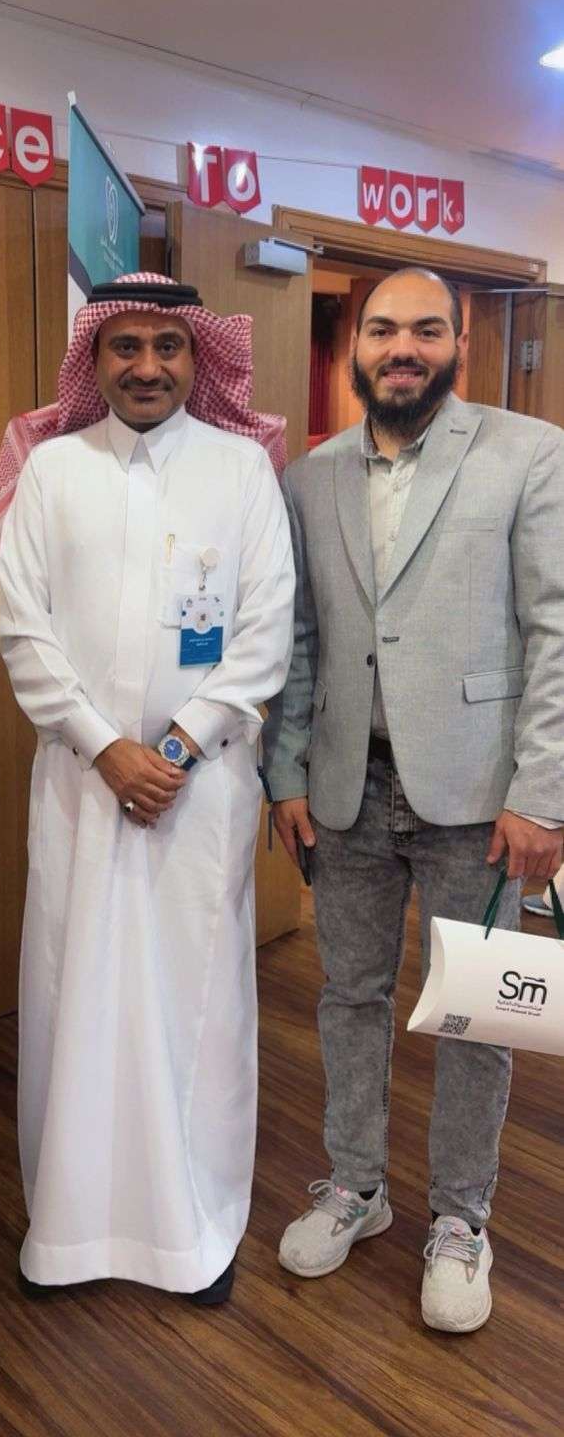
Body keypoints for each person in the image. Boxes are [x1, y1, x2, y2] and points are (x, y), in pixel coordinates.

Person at [262, 267, 564, 1332]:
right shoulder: (310, 477)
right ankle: (356, 1185)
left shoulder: (530, 453)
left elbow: (556, 631)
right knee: (349, 996)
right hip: (347, 786)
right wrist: (286, 771)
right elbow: (300, 640)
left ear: (460, 345)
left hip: (482, 799)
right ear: (355, 346)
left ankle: (462, 1218)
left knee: (480, 1014)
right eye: (384, 329)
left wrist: (544, 793)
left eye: (427, 330)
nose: (404, 348)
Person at [0, 272, 295, 1303]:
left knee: (194, 1000)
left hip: (198, 792)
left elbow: (265, 632)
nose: (148, 366)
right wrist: (103, 747)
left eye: (169, 346)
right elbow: (23, 631)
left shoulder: (242, 468)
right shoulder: (52, 468)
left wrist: (176, 747)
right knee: (73, 991)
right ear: (96, 358)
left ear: (199, 357)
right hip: (83, 785)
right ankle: (69, 1230)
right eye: (126, 346)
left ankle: (192, 1230)